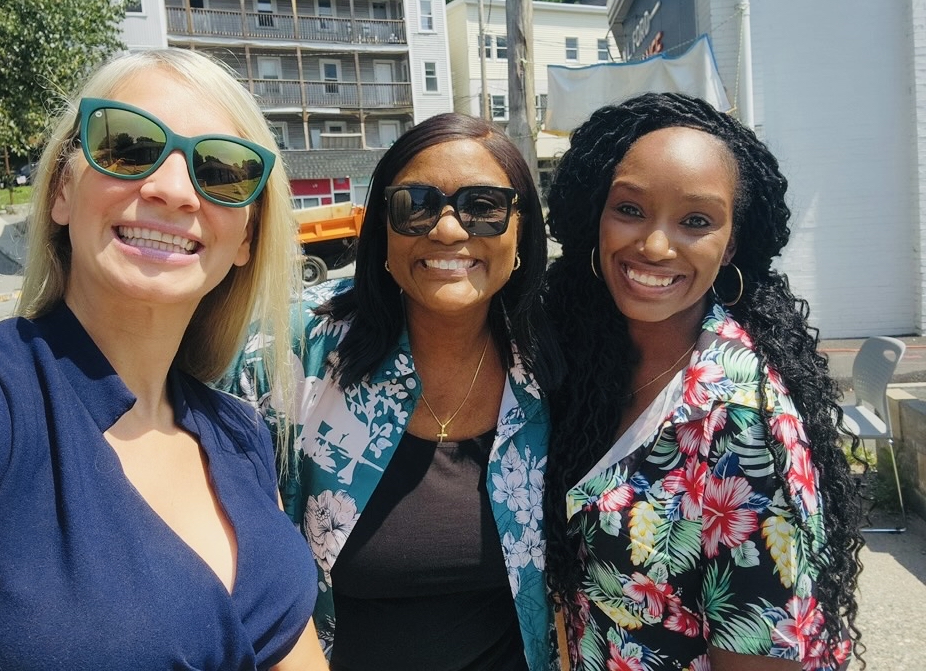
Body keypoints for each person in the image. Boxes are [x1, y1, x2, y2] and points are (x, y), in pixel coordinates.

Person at [0, 48, 326, 670]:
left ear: (247, 238)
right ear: (63, 192)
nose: (176, 191)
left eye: (223, 170)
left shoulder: (242, 437)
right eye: (128, 145)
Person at [221, 112, 565, 670]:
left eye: (484, 207)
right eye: (416, 204)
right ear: (381, 226)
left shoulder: (555, 364)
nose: (449, 230)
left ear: (520, 228)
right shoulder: (292, 351)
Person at [543, 92, 864, 671]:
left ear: (732, 243)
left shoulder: (742, 421)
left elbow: (765, 655)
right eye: (630, 210)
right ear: (595, 216)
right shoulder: (580, 359)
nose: (655, 246)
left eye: (696, 221)